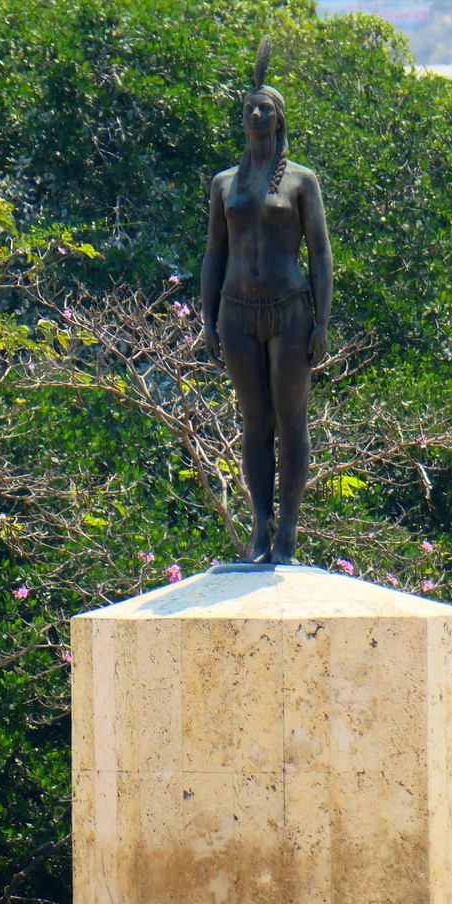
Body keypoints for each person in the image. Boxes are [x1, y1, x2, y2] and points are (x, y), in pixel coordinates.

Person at [200, 38, 333, 566]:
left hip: (289, 310)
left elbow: (321, 253)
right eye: (249, 108)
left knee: (290, 418)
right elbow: (213, 253)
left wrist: (322, 320)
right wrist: (207, 320)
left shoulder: (301, 181)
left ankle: (289, 533)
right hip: (236, 310)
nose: (256, 114)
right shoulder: (224, 183)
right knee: (253, 421)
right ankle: (260, 528)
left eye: (266, 108)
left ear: (279, 120)